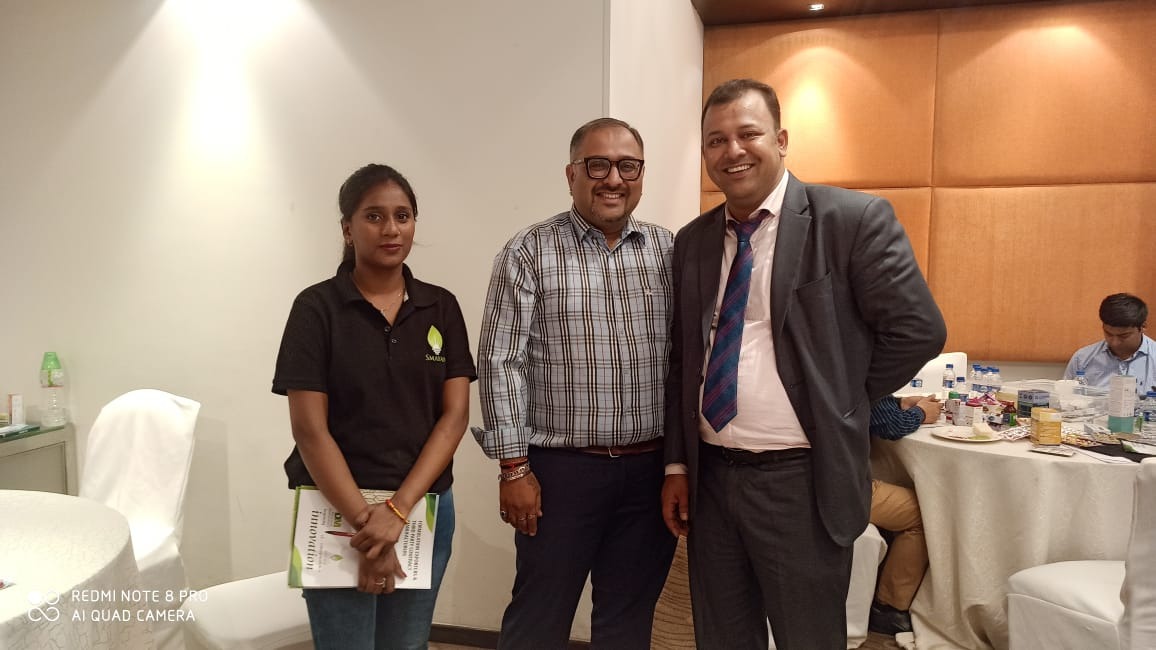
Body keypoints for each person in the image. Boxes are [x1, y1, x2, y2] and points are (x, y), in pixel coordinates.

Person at [662, 78, 947, 649]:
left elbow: (918, 330)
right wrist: (676, 464)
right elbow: (683, 361)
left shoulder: (850, 220)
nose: (732, 151)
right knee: (721, 639)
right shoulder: (693, 241)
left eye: (748, 134)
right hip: (712, 479)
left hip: (800, 483)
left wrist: (840, 395)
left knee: (807, 639)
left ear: (781, 139)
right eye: (716, 140)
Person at [472, 117, 677, 649]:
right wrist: (513, 467)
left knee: (628, 622)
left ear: (641, 175)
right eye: (598, 165)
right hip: (561, 474)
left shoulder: (667, 251)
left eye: (627, 166)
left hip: (648, 473)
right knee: (539, 619)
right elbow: (500, 362)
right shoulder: (529, 251)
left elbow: (684, 359)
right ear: (571, 175)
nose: (613, 178)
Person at [272, 163, 476, 649]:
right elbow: (310, 430)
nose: (391, 229)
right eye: (374, 216)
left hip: (422, 507)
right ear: (348, 228)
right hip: (336, 508)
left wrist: (397, 511)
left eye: (403, 216)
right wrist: (367, 523)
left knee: (407, 644)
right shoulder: (316, 309)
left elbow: (454, 417)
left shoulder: (440, 307)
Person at [866, 395, 939, 637]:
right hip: (831, 490)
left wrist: (898, 402)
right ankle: (889, 607)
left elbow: (872, 404)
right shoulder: (848, 374)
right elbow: (892, 425)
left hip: (791, 478)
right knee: (928, 512)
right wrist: (920, 413)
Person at [1063, 293, 1155, 396]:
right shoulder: (1082, 359)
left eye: (1123, 336)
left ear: (1143, 327)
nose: (1114, 342)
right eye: (1108, 334)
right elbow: (1066, 399)